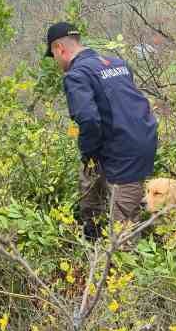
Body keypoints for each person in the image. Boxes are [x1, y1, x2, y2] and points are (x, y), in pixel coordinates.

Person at [47, 22, 159, 240]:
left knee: (123, 228)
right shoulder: (118, 64)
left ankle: (122, 256)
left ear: (59, 49)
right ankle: (93, 242)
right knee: (90, 192)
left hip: (126, 153)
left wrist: (88, 154)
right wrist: (91, 159)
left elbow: (88, 119)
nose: (57, 63)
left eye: (54, 56)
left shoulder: (77, 75)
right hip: (136, 140)